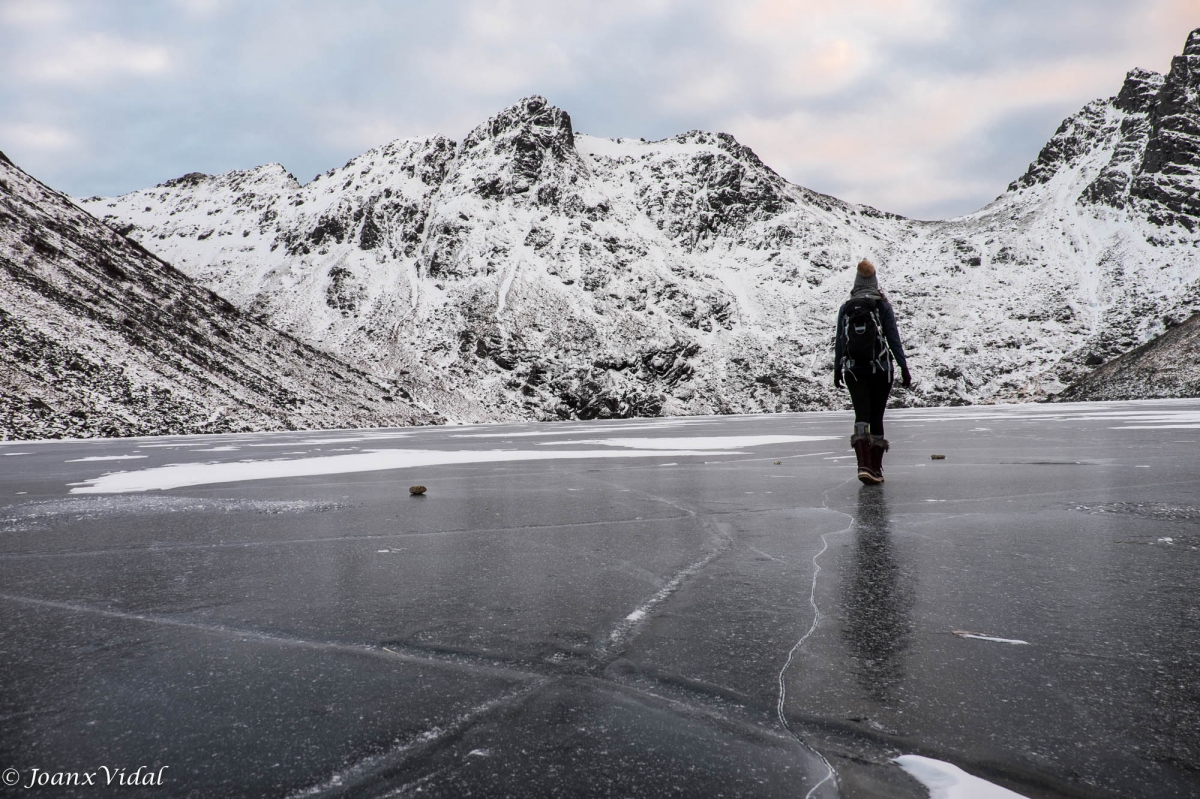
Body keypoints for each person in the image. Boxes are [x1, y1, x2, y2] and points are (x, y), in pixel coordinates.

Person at [833, 259, 911, 484]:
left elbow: (840, 341)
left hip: (854, 370)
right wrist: (903, 367)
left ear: (856, 282)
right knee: (876, 416)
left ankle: (863, 466)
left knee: (861, 415)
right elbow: (893, 338)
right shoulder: (883, 306)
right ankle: (875, 469)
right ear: (874, 281)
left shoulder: (847, 307)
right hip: (881, 370)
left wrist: (837, 369)